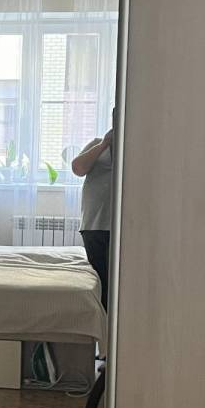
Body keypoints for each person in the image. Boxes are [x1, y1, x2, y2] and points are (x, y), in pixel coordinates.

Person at [72, 124, 113, 309]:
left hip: (122, 226)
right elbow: (78, 168)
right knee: (98, 278)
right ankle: (100, 319)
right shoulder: (97, 143)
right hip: (94, 223)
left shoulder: (134, 149)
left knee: (115, 280)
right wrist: (104, 144)